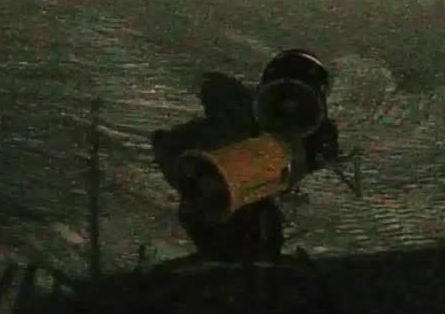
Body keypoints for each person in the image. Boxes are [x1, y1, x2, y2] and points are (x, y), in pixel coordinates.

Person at [147, 49, 342, 262]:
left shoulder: (296, 135)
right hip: (218, 210)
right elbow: (176, 151)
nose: (288, 109)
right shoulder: (235, 123)